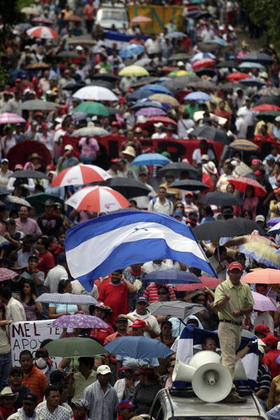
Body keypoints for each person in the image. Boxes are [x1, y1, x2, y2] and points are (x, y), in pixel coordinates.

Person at [214, 261, 254, 403]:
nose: (236, 274)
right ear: (229, 273)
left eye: (238, 271)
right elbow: (217, 308)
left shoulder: (245, 288)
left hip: (238, 326)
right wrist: (226, 299)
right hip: (226, 325)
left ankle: (218, 381)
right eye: (233, 271)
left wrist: (242, 312)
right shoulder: (222, 287)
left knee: (227, 357)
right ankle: (229, 390)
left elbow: (250, 307)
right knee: (229, 358)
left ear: (241, 273)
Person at [0, 305, 12, 392]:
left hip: (8, 354)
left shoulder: (7, 325)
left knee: (6, 380)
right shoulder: (6, 323)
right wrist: (8, 321)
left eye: (0, 312)